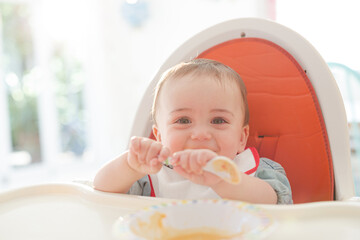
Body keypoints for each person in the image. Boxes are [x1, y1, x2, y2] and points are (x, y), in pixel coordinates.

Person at [93, 59, 292, 204]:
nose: (200, 134)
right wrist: (130, 165)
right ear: (160, 137)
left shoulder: (259, 171)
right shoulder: (151, 176)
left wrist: (223, 180)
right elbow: (102, 191)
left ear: (241, 138)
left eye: (218, 120)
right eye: (183, 120)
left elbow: (274, 203)